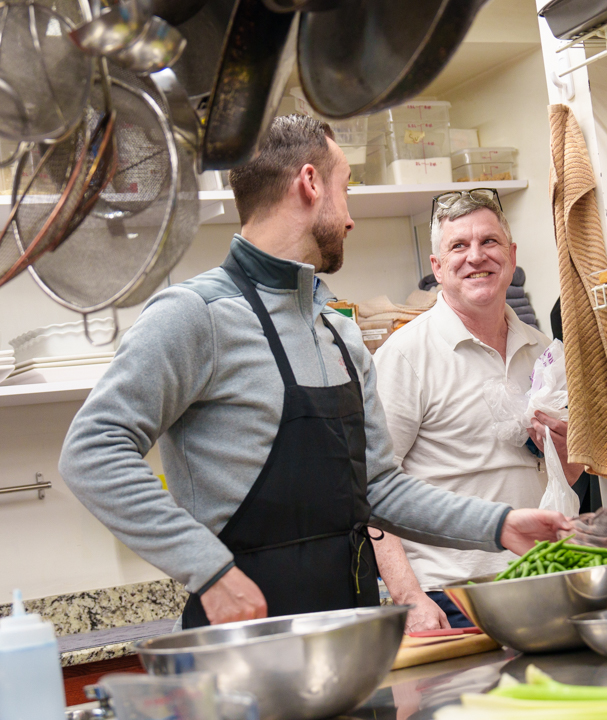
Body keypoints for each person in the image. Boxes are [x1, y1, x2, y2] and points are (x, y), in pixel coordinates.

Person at [58, 116, 572, 628]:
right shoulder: (196, 315)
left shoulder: (338, 332)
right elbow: (92, 451)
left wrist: (500, 525)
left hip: (352, 632)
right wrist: (208, 570)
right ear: (310, 183)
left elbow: (378, 487)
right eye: (345, 188)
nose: (350, 219)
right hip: (246, 641)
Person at [370, 190, 607, 631]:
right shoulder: (404, 356)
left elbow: (563, 477)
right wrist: (409, 596)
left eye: (489, 241)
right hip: (450, 595)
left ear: (511, 255)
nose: (476, 256)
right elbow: (372, 488)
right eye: (459, 246)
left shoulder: (545, 352)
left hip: (539, 582)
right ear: (437, 267)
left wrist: (565, 453)